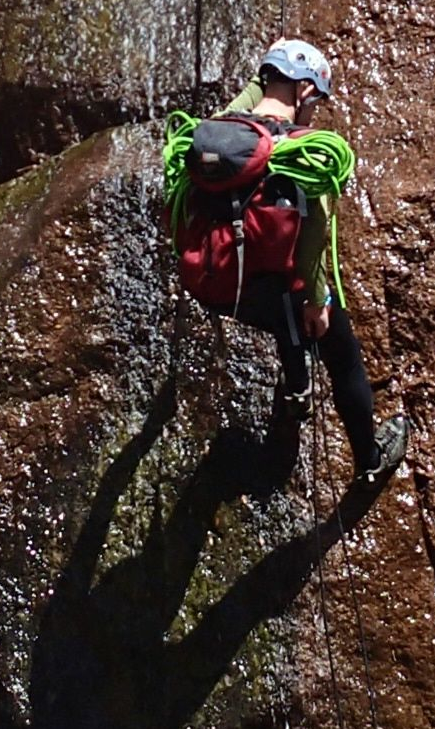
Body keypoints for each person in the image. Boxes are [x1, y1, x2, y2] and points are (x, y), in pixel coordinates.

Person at [164, 39, 407, 478]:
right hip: (275, 290)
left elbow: (248, 100)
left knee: (281, 315)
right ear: (305, 94)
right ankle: (370, 463)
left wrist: (272, 69)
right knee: (338, 347)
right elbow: (312, 246)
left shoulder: (218, 133)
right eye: (316, 102)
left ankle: (296, 387)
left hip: (217, 285)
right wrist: (319, 302)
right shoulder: (309, 155)